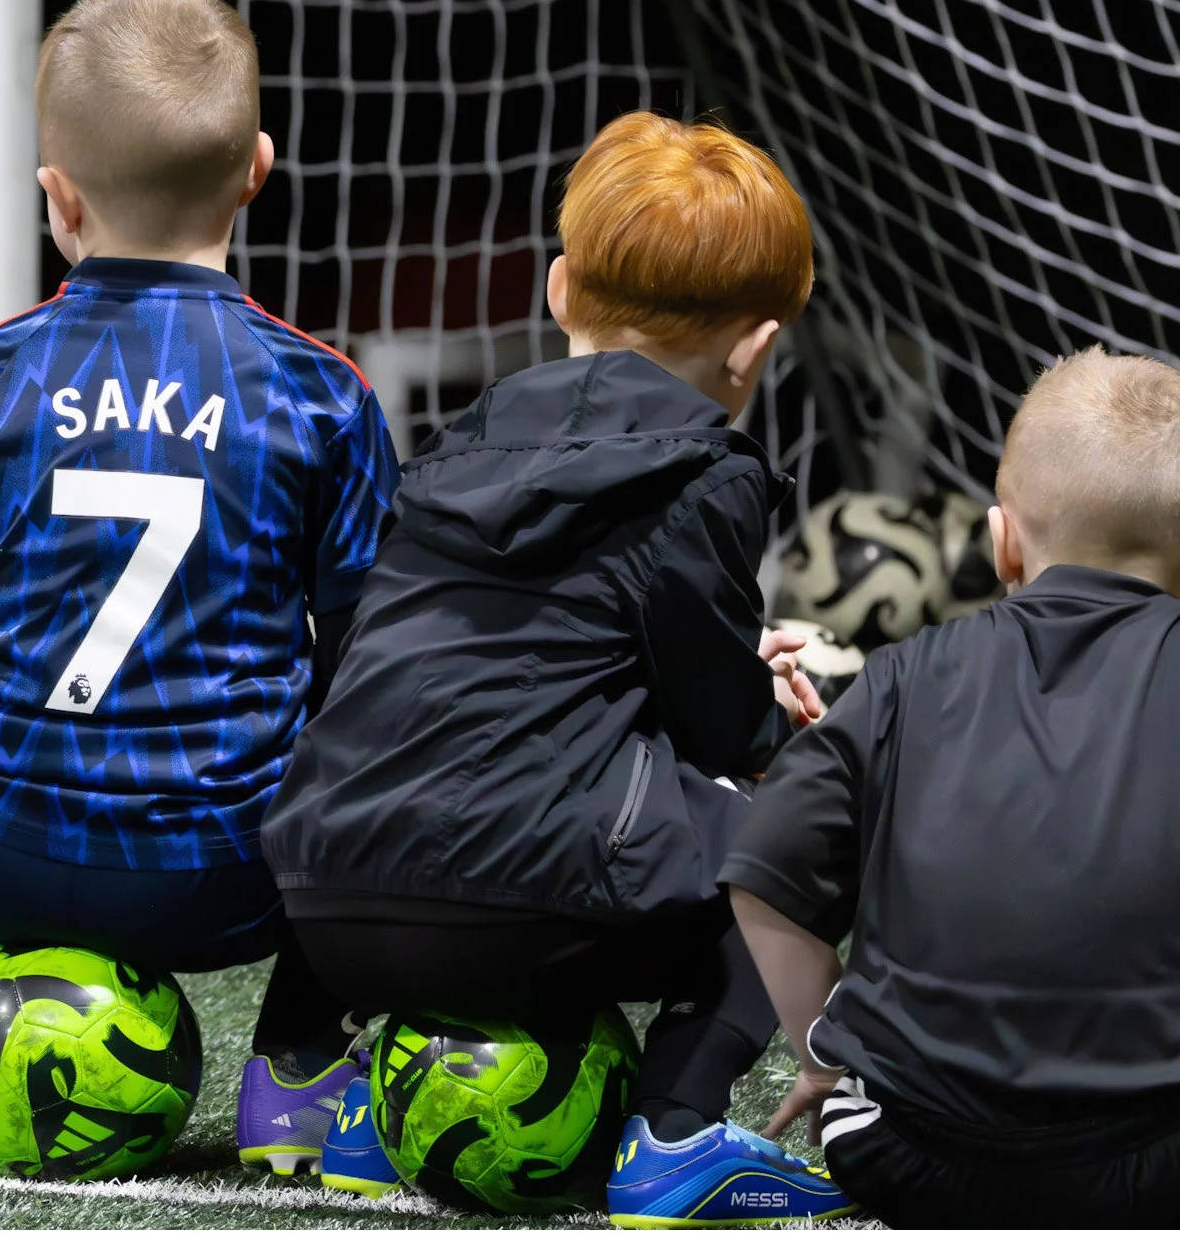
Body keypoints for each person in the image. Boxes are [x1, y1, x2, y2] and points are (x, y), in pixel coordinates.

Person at [262, 111, 852, 1224]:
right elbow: (717, 734)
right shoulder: (706, 471)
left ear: (557, 289)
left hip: (326, 896)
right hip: (517, 895)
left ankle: (373, 1125)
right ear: (755, 347)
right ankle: (677, 1128)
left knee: (491, 793)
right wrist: (769, 710)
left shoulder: (455, 440)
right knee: (793, 839)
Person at [0, 0, 402, 1173]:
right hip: (221, 878)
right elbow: (368, 666)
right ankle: (297, 1067)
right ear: (257, 169)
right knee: (374, 747)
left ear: (55, 196)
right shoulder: (321, 390)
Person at [724, 346, 1180, 1229]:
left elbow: (762, 867)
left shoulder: (907, 674)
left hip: (909, 1151)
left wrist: (822, 1052)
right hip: (1173, 1164)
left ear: (1002, 541)